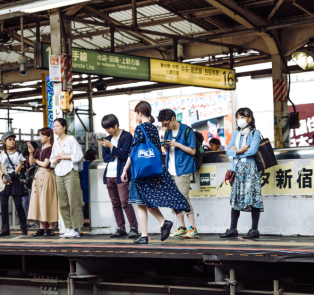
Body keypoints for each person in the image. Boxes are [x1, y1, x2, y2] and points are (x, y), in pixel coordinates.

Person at [121, 101, 190, 244]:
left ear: (140, 113)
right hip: (153, 169)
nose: (135, 116)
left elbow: (133, 152)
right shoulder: (153, 128)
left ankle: (145, 235)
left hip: (140, 172)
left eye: (135, 113)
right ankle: (162, 223)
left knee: (140, 203)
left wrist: (125, 169)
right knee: (147, 202)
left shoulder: (140, 128)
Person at [220, 107, 263, 239]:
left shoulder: (255, 133)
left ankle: (254, 229)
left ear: (249, 118)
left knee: (253, 197)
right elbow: (228, 151)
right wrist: (239, 151)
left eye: (242, 117)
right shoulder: (235, 134)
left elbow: (253, 151)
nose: (240, 120)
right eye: (238, 117)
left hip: (250, 168)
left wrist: (235, 151)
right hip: (237, 168)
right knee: (236, 198)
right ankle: (233, 229)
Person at [157, 109, 198, 239]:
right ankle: (181, 227)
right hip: (170, 170)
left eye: (166, 123)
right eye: (163, 124)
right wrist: (164, 146)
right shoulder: (167, 132)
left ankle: (192, 228)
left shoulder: (187, 130)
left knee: (183, 198)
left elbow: (192, 151)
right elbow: (168, 150)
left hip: (184, 169)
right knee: (173, 199)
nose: (165, 126)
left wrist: (177, 144)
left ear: (173, 119)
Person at [101, 114, 138, 239]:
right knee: (115, 203)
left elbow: (125, 155)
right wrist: (115, 153)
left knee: (125, 202)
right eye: (105, 128)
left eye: (109, 128)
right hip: (109, 175)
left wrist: (112, 148)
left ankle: (134, 227)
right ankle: (121, 228)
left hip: (122, 174)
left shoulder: (126, 136)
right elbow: (105, 158)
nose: (107, 131)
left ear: (116, 125)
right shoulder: (107, 138)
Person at [50, 118, 84, 238]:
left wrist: (65, 156)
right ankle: (68, 228)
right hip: (58, 173)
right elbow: (51, 161)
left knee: (74, 201)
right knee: (63, 203)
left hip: (70, 172)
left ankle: (76, 228)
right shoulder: (56, 141)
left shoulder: (71, 139)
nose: (55, 128)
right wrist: (56, 160)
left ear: (64, 127)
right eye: (54, 126)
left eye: (57, 126)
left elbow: (79, 156)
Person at [28, 127, 58, 237]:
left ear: (49, 136)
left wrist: (35, 160)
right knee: (39, 201)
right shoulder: (39, 149)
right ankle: (42, 227)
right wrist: (31, 154)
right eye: (40, 135)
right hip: (39, 175)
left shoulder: (51, 148)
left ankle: (50, 227)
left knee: (48, 200)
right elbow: (31, 163)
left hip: (48, 174)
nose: (40, 137)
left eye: (42, 135)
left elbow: (45, 164)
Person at [0, 132, 28, 236]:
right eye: (10, 139)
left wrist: (10, 176)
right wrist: (3, 176)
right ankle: (5, 229)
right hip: (3, 182)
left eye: (13, 139)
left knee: (18, 205)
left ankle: (24, 228)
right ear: (4, 141)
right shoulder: (1, 153)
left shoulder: (18, 153)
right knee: (4, 206)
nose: (12, 141)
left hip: (15, 180)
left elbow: (19, 166)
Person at [21, 141, 39, 229]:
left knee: (25, 203)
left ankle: (26, 222)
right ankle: (30, 222)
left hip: (25, 183)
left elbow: (21, 171)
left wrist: (22, 180)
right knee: (29, 202)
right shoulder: (33, 157)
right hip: (31, 183)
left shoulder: (23, 157)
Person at [81, 148, 97, 226]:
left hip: (84, 185)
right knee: (90, 203)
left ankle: (85, 219)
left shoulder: (83, 164)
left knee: (86, 203)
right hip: (91, 185)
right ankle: (90, 219)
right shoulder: (93, 165)